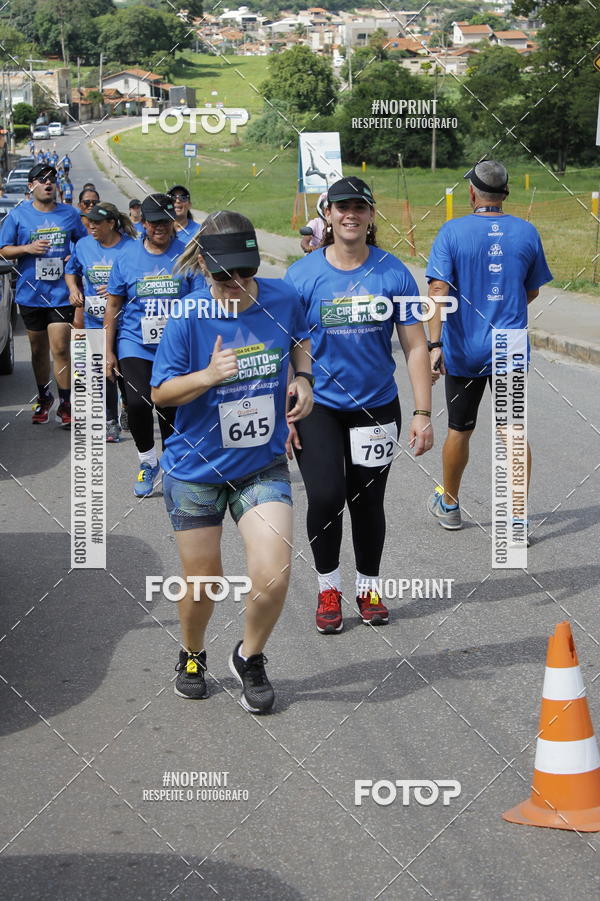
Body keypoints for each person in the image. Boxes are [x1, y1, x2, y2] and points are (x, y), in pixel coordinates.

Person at [150, 210, 313, 712]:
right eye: (224, 277)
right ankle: (192, 652)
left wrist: (302, 379)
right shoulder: (188, 316)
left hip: (259, 464)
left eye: (246, 273)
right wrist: (207, 376)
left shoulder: (282, 297)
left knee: (274, 573)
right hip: (196, 471)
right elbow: (160, 392)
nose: (238, 285)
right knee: (204, 584)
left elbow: (301, 339)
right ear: (205, 268)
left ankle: (250, 656)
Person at [285, 176, 434, 634]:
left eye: (360, 207)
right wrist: (283, 409)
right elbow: (288, 346)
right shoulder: (303, 274)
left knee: (368, 502)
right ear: (327, 214)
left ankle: (368, 586)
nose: (351, 214)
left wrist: (423, 413)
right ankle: (328, 587)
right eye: (341, 207)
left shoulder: (393, 273)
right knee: (327, 495)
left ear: (371, 216)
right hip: (318, 406)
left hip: (375, 407)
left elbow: (414, 346)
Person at [426, 160, 552, 540]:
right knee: (513, 432)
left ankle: (449, 505)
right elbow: (531, 290)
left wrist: (434, 344)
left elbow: (437, 293)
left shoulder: (452, 232)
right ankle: (516, 519)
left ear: (471, 193)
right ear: (505, 194)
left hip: (465, 348)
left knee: (459, 430)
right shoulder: (526, 232)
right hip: (510, 347)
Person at [104, 193, 203, 496]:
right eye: (152, 222)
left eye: (164, 221)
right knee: (137, 402)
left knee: (170, 408)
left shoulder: (187, 253)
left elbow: (200, 303)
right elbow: (113, 304)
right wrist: (107, 351)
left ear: (173, 221)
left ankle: (173, 463)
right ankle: (148, 461)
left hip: (175, 347)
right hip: (135, 343)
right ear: (142, 222)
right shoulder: (126, 257)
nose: (159, 227)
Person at [0, 163, 87, 425]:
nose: (48, 183)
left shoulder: (70, 214)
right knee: (38, 351)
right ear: (31, 186)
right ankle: (44, 396)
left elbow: (84, 244)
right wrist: (27, 248)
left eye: (52, 179)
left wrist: (75, 255)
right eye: (41, 179)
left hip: (61, 293)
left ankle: (66, 403)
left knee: (60, 347)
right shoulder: (17, 216)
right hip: (31, 294)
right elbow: (3, 250)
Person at [66, 202, 136, 442]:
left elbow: (142, 281)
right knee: (104, 373)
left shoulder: (131, 247)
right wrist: (73, 289)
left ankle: (127, 404)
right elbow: (71, 270)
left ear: (111, 224)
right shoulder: (84, 245)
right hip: (95, 322)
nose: (91, 225)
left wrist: (118, 290)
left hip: (127, 323)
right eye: (89, 221)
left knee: (125, 374)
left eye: (97, 222)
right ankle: (111, 421)